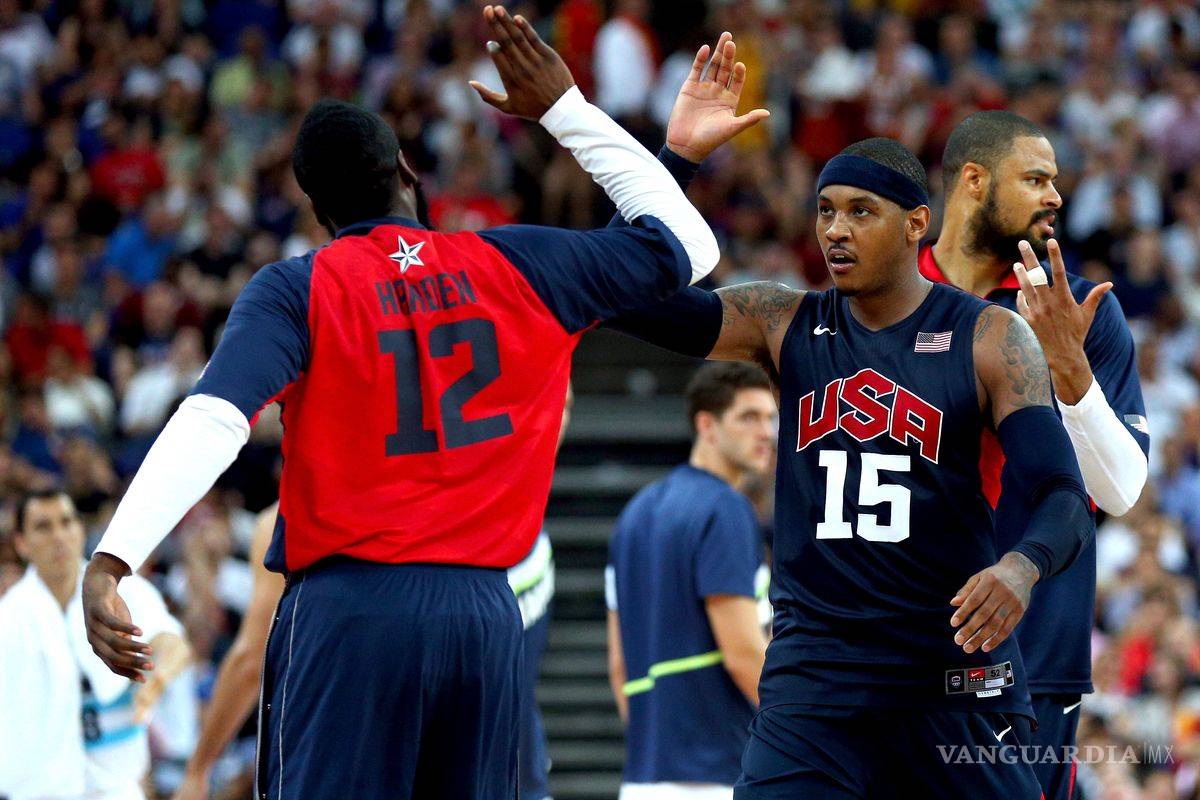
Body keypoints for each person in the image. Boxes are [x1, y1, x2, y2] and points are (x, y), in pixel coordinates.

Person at [78, 6, 744, 797]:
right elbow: (689, 246)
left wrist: (114, 556)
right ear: (408, 173)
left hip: (351, 613)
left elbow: (216, 419)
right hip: (484, 619)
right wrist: (569, 110)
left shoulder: (298, 287)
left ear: (319, 211)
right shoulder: (518, 261)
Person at [608, 136, 1094, 797]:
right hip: (817, 683)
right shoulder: (782, 320)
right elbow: (621, 289)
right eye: (826, 211)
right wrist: (678, 156)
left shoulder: (989, 337)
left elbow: (1063, 492)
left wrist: (1022, 564)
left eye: (861, 212)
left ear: (916, 223)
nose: (836, 230)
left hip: (951, 677)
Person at [172, 386, 575, 800]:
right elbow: (251, 658)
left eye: (564, 407)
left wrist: (199, 767)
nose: (554, 419)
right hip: (369, 750)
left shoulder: (508, 508)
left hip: (502, 754)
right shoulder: (304, 522)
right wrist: (201, 765)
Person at [922, 110, 1150, 800]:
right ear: (973, 181)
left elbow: (1121, 492)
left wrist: (1069, 369)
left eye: (1056, 181)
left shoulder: (1081, 308)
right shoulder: (886, 301)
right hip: (894, 663)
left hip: (1035, 664)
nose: (1056, 196)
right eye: (1036, 179)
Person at [606, 362, 774, 800]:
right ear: (707, 424)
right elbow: (744, 654)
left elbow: (620, 664)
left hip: (644, 778)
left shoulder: (634, 514)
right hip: (718, 772)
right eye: (749, 417)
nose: (767, 433)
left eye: (772, 418)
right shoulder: (727, 510)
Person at [0, 490, 190, 800]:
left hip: (116, 786)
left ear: (80, 529)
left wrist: (158, 677)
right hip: (37, 789)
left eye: (66, 522)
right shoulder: (9, 618)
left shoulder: (118, 591)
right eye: (43, 527)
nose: (59, 536)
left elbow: (172, 642)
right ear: (21, 543)